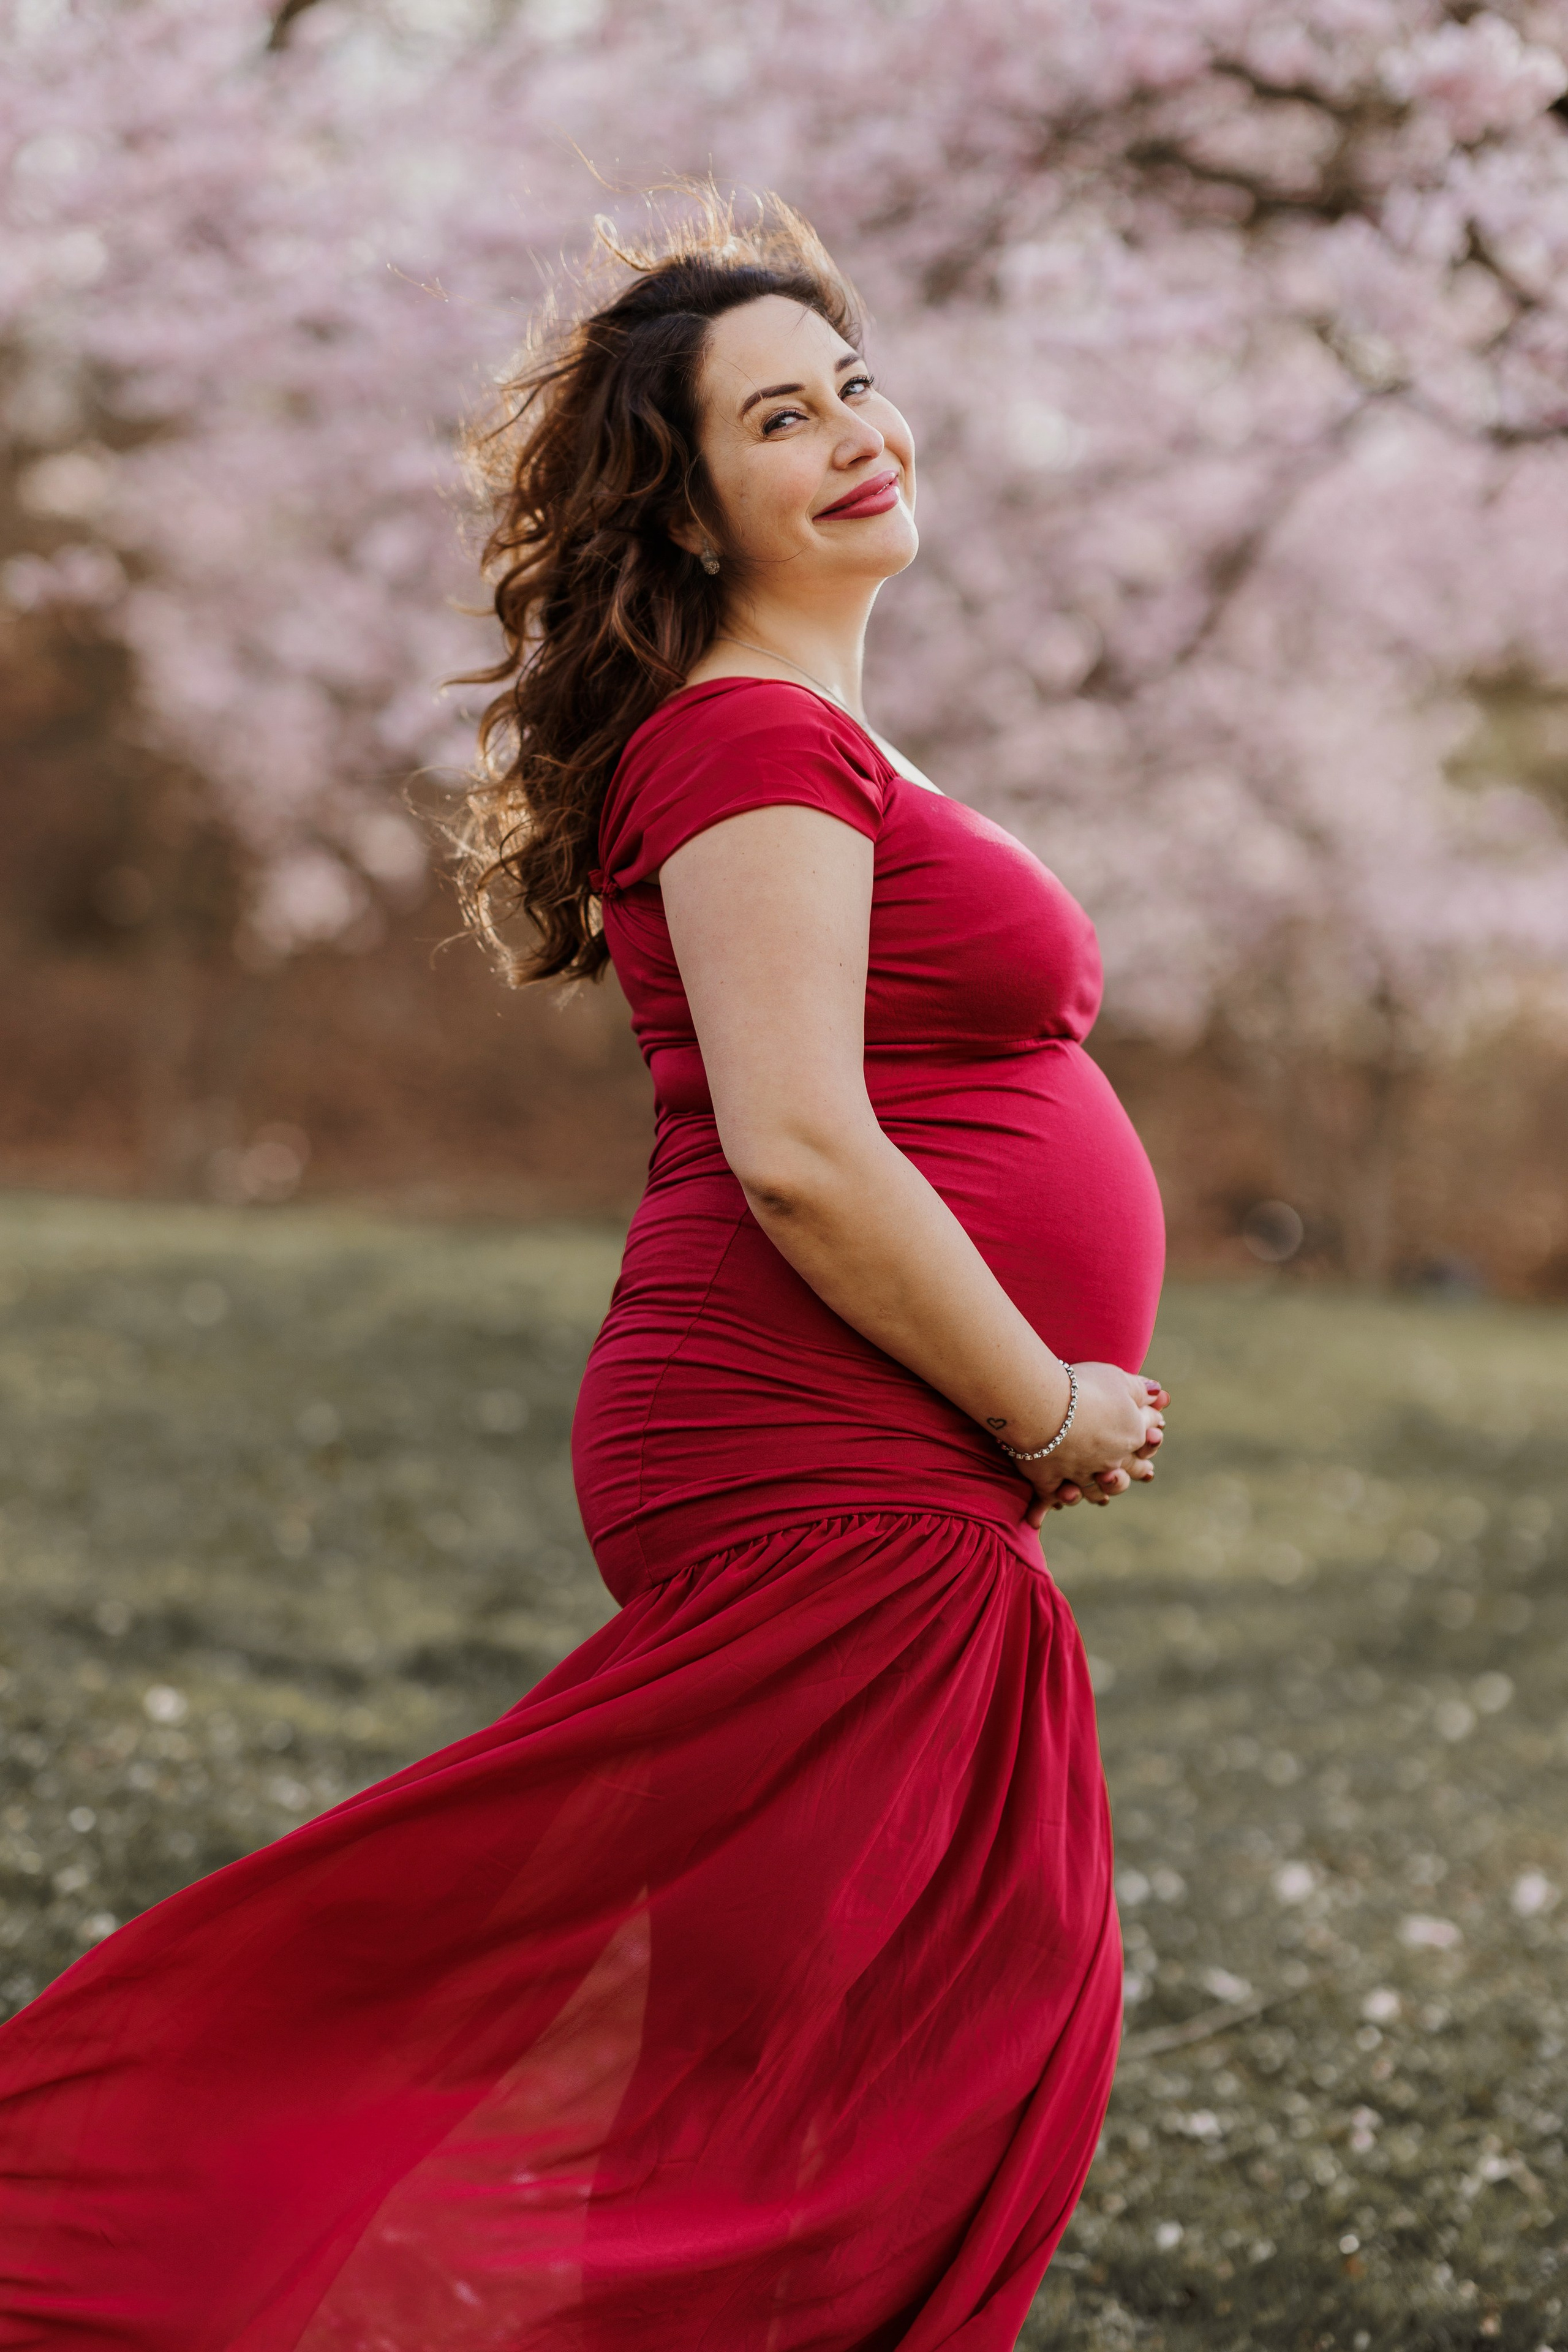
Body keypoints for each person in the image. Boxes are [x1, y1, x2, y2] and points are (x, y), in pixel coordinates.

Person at [0, 197, 1167, 2350]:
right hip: (823, 1440)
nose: (855, 433)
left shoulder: (821, 733)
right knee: (884, 2030)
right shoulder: (748, 740)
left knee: (860, 2027)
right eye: (777, 419)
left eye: (854, 386)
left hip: (891, 1456)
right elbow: (800, 1147)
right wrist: (1050, 1402)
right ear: (689, 508)